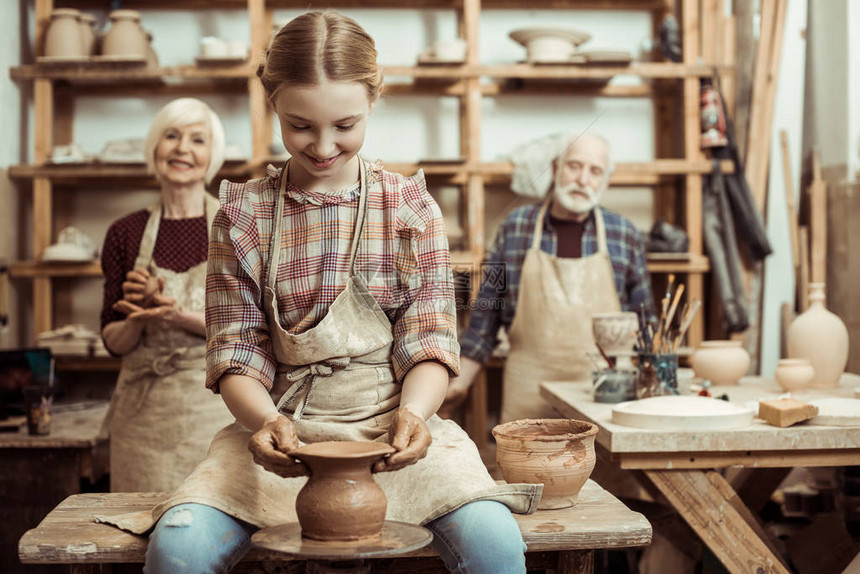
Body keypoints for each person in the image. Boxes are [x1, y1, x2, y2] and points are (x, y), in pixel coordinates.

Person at [97, 12, 540, 574]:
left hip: (392, 426)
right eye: (300, 125)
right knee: (177, 546)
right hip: (280, 429)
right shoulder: (243, 214)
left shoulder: (411, 208)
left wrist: (417, 413)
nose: (324, 145)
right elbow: (236, 351)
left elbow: (429, 339)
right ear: (272, 104)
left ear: (374, 101)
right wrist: (263, 423)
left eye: (345, 124)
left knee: (494, 542)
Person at [442, 133, 657, 422]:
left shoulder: (624, 235)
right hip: (528, 392)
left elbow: (646, 326)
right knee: (528, 464)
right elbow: (485, 319)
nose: (582, 179)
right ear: (555, 168)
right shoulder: (513, 228)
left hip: (603, 397)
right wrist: (460, 384)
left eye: (594, 171)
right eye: (574, 166)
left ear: (605, 180)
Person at [99, 98, 235, 492]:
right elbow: (112, 340)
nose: (182, 149)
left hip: (215, 407)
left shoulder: (233, 225)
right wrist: (137, 319)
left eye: (197, 139)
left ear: (212, 155)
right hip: (143, 416)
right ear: (155, 147)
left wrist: (179, 318)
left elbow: (254, 332)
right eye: (171, 136)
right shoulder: (125, 232)